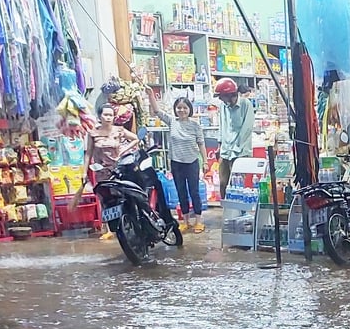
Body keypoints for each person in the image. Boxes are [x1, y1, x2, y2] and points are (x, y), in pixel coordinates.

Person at [69, 103, 139, 240]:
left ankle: (131, 222)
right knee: (105, 199)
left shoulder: (119, 130)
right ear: (99, 116)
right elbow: (88, 153)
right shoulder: (93, 133)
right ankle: (107, 229)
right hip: (102, 171)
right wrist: (84, 172)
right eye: (105, 115)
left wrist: (124, 150)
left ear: (114, 117)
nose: (108, 118)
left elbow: (135, 139)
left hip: (119, 169)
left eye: (110, 115)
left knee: (125, 196)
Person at [148, 89, 207, 234]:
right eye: (179, 107)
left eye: (185, 108)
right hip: (176, 163)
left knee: (194, 192)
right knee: (181, 192)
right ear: (175, 109)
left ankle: (198, 221)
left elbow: (201, 144)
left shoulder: (195, 125)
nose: (182, 110)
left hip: (192, 162)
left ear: (189, 109)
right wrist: (150, 95)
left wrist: (205, 162)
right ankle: (185, 221)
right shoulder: (172, 121)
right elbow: (157, 111)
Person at [215, 78, 254, 200]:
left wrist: (237, 148)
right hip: (225, 151)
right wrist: (220, 146)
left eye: (222, 96)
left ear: (230, 95)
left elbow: (246, 129)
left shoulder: (245, 104)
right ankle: (226, 210)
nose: (220, 99)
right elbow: (222, 126)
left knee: (237, 184)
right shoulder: (223, 106)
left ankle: (238, 212)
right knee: (223, 183)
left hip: (240, 151)